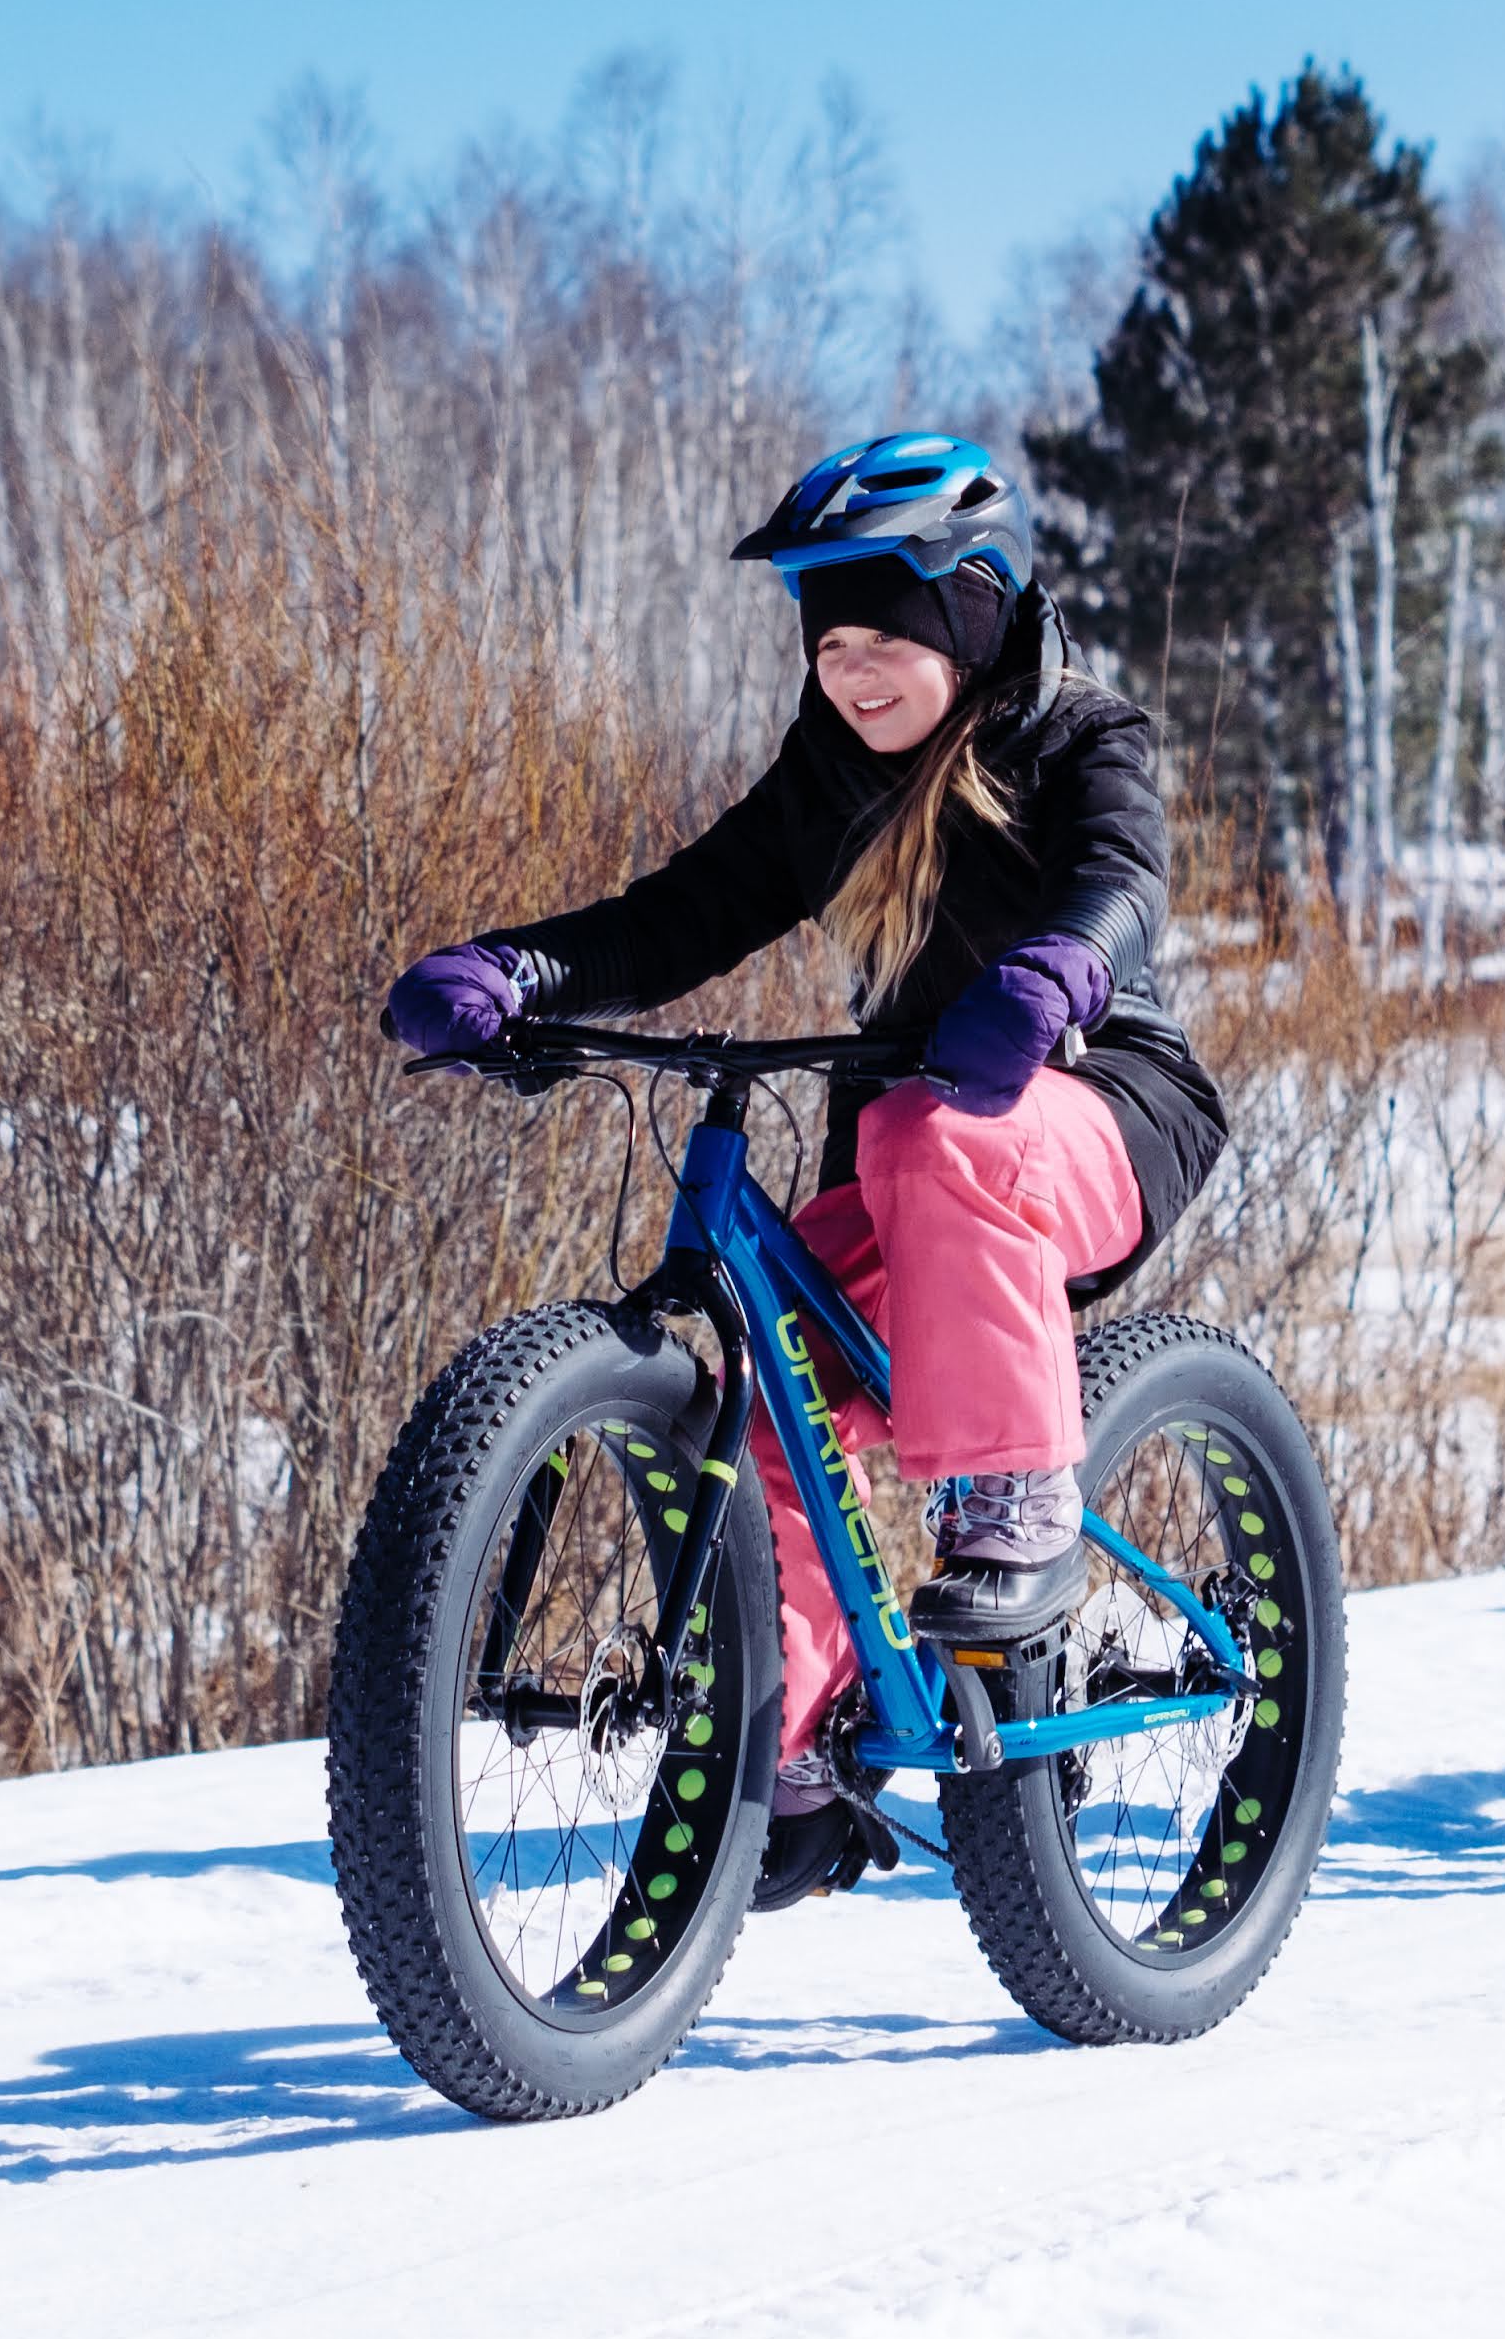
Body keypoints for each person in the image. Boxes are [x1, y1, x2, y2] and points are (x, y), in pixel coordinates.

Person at [378, 432, 1227, 1907]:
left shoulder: (1082, 736)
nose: (850, 671)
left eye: (882, 637)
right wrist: (524, 967)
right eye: (828, 642)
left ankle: (1016, 1505)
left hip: (1099, 1107)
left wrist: (1060, 969)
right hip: (932, 1160)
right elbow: (690, 907)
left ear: (970, 608)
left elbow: (1123, 879)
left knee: (922, 1131)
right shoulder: (828, 776)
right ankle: (792, 1748)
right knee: (771, 1389)